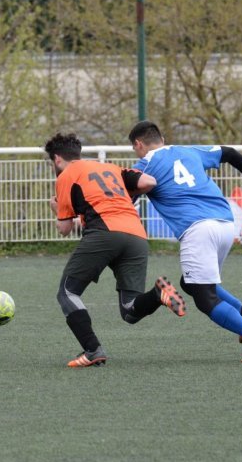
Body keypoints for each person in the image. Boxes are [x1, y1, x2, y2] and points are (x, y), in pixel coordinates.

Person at [127, 121, 242, 363]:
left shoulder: (144, 166)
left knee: (206, 299)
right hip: (226, 223)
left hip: (198, 229)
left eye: (135, 148)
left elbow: (129, 195)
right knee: (190, 283)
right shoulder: (190, 151)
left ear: (138, 144)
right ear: (162, 137)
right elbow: (228, 153)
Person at [46, 132, 187, 368]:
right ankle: (157, 294)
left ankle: (92, 350)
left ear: (58, 159)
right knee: (130, 310)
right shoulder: (110, 168)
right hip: (136, 235)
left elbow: (64, 228)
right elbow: (148, 182)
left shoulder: (65, 176)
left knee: (67, 293)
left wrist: (54, 207)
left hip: (104, 234)